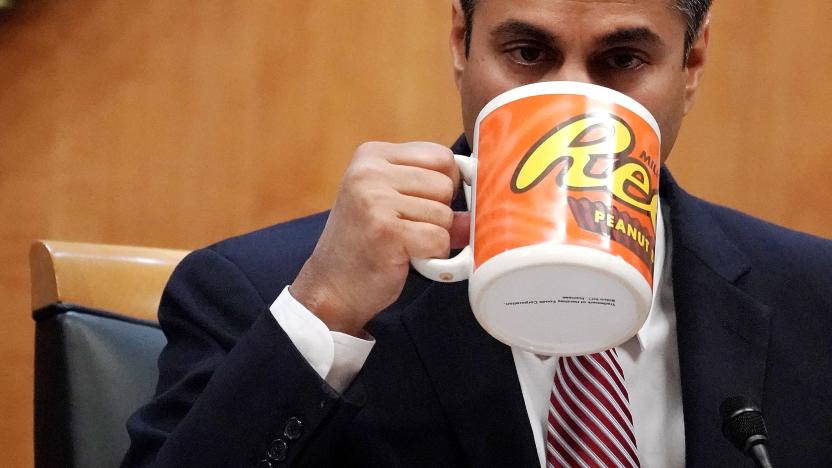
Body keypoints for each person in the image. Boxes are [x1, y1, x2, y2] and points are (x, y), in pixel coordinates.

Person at [122, 1, 832, 466]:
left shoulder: (815, 300)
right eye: (527, 52)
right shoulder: (259, 291)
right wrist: (327, 307)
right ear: (461, 43)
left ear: (692, 63)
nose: (571, 101)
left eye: (623, 61)